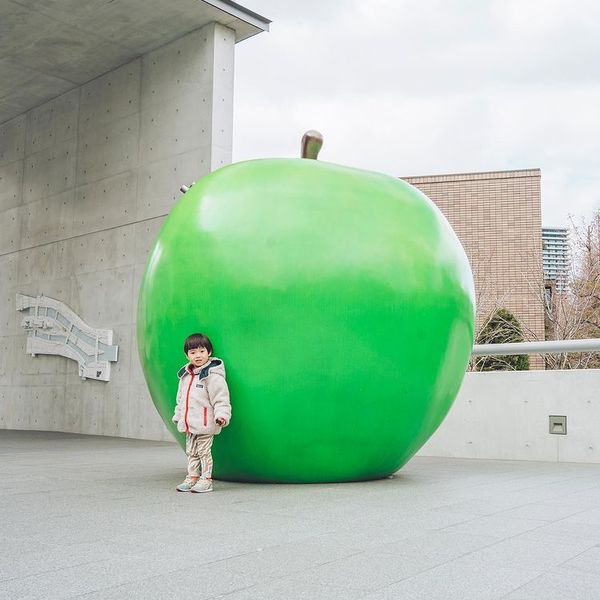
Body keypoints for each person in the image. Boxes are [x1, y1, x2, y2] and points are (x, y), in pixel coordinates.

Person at [172, 333, 231, 493]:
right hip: (189, 424)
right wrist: (178, 416)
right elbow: (181, 400)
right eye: (193, 352)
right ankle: (192, 477)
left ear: (209, 352)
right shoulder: (185, 376)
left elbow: (221, 399)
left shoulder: (212, 376)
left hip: (205, 424)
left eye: (201, 351)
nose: (197, 355)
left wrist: (222, 416)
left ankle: (206, 479)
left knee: (204, 452)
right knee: (191, 451)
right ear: (187, 355)